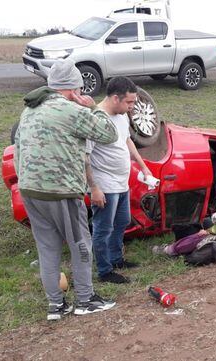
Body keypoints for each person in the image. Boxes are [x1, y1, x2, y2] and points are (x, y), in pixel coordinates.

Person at [14, 59, 117, 320]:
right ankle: (85, 299)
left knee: (47, 248)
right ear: (74, 90)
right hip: (60, 191)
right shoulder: (70, 110)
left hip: (29, 190)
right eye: (80, 90)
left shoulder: (30, 110)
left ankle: (56, 305)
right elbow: (108, 133)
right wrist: (93, 107)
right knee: (81, 243)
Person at [85, 77, 153, 284]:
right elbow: (84, 157)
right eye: (129, 103)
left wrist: (143, 166)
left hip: (122, 183)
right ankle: (105, 271)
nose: (132, 108)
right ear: (116, 98)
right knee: (103, 228)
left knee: (122, 221)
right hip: (105, 185)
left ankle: (116, 259)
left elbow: (127, 140)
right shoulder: (94, 120)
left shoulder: (121, 116)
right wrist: (94, 188)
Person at [152, 183, 216, 257]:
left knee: (195, 237)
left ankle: (169, 250)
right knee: (204, 222)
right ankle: (173, 246)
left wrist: (207, 231)